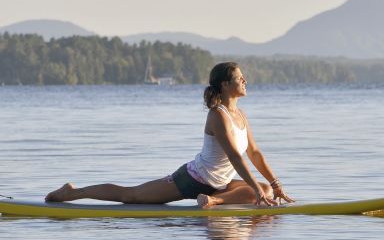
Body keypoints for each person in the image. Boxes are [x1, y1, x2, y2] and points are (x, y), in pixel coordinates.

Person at [45, 62, 294, 208]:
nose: (245, 81)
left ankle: (212, 201)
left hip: (221, 185)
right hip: (193, 179)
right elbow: (235, 157)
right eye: (240, 78)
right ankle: (73, 192)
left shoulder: (241, 115)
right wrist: (255, 189)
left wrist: (274, 185)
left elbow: (255, 153)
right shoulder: (217, 115)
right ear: (226, 86)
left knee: (265, 191)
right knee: (130, 196)